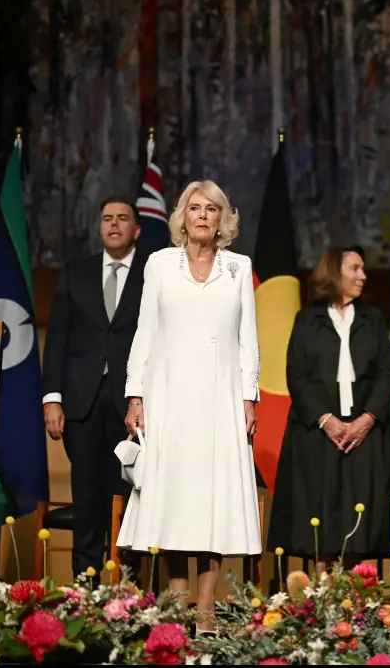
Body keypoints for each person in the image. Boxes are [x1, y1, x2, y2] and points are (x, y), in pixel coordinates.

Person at [119, 180, 261, 636]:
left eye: (211, 209)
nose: (202, 215)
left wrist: (248, 398)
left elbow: (248, 341)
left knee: (212, 503)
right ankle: (178, 601)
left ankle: (206, 608)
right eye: (194, 208)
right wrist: (136, 395)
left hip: (221, 399)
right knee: (174, 499)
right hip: (168, 397)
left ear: (223, 220)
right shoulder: (160, 264)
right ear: (182, 217)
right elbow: (144, 332)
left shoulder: (239, 268)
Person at [268, 246, 390, 567]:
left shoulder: (372, 319)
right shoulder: (307, 320)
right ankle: (321, 592)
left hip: (365, 434)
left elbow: (386, 373)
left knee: (364, 519)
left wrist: (367, 419)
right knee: (319, 517)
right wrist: (325, 419)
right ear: (333, 273)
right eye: (355, 268)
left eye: (363, 269)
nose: (363, 276)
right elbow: (296, 374)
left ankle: (359, 589)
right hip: (317, 434)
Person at [42, 196, 147, 578]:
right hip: (81, 403)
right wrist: (52, 398)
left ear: (136, 230)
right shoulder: (77, 273)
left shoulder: (152, 274)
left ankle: (128, 592)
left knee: (129, 499)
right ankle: (84, 593)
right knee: (87, 499)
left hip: (131, 404)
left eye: (122, 218)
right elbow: (57, 340)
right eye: (107, 218)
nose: (114, 224)